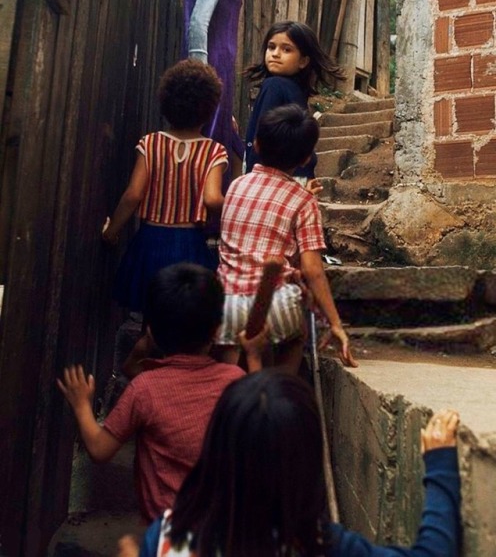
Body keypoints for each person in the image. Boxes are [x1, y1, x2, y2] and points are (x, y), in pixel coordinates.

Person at [136, 371, 461, 557]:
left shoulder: (165, 540)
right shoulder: (321, 547)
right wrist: (440, 463)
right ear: (307, 465)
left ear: (214, 451)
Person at [57, 263, 265, 524]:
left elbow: (100, 449)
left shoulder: (145, 389)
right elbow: (261, 418)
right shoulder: (234, 379)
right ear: (216, 330)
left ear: (151, 332)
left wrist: (81, 406)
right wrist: (254, 357)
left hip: (168, 536)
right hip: (223, 528)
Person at [216, 103, 357, 372]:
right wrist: (336, 325)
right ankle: (280, 391)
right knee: (297, 336)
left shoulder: (236, 185)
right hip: (276, 302)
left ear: (256, 144)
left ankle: (231, 391)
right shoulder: (304, 201)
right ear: (306, 159)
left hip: (226, 299)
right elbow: (313, 270)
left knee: (229, 366)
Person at [102, 60, 228, 317]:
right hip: (190, 244)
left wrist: (111, 231)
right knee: (185, 316)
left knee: (151, 314)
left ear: (166, 103)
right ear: (209, 109)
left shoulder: (150, 144)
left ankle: (144, 353)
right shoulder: (213, 151)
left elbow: (133, 194)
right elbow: (213, 199)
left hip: (150, 241)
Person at [184, 0, 261, 184]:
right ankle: (206, 222)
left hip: (217, 69)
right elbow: (199, 20)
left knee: (221, 139)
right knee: (211, 152)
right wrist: (202, 76)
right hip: (212, 67)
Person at [245, 21, 343, 188]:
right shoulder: (296, 90)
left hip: (269, 180)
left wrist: (251, 177)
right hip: (299, 177)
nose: (275, 54)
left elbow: (261, 138)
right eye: (271, 47)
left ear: (303, 61)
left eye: (286, 49)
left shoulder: (274, 86)